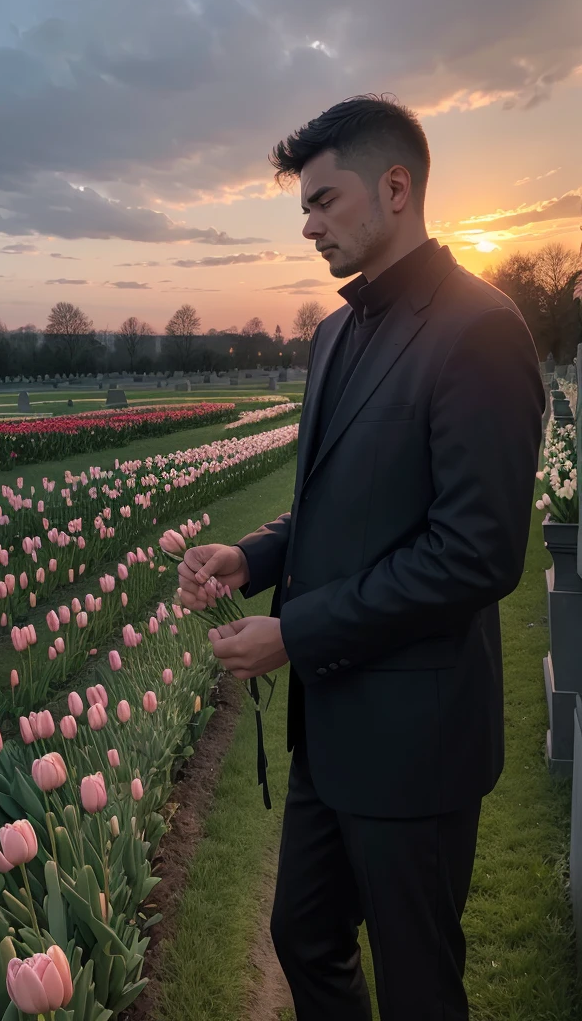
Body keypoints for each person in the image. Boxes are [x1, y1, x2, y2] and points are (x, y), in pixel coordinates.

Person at [177, 94, 545, 1021]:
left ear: (395, 187)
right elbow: (337, 508)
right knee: (304, 938)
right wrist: (251, 557)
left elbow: (476, 554)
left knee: (420, 984)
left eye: (324, 201)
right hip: (330, 734)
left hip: (417, 740)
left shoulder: (482, 332)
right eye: (303, 205)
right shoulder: (334, 334)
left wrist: (294, 632)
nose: (306, 225)